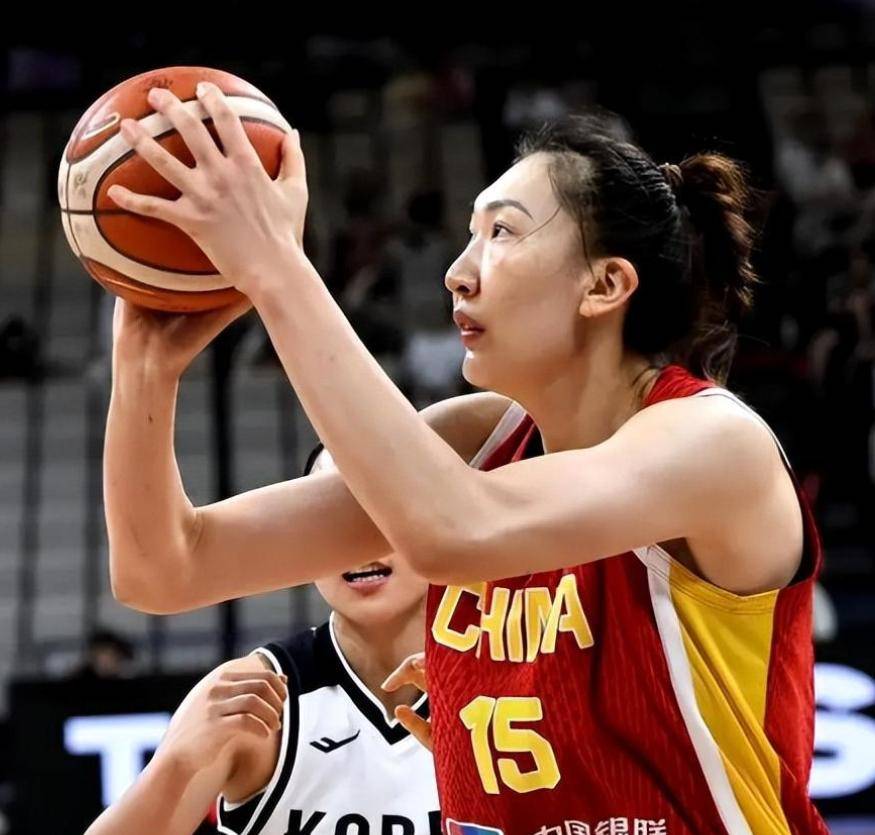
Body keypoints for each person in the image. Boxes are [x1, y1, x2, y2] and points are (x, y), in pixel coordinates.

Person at [104, 87, 827, 834]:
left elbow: (454, 531)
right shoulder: (475, 442)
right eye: (468, 235)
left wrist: (276, 267)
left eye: (501, 233)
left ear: (605, 284)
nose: (457, 270)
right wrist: (145, 368)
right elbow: (165, 567)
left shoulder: (713, 444)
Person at [86, 448, 440, 835]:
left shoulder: (485, 688)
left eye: (379, 509)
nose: (360, 544)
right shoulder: (254, 692)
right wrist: (176, 766)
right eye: (334, 519)